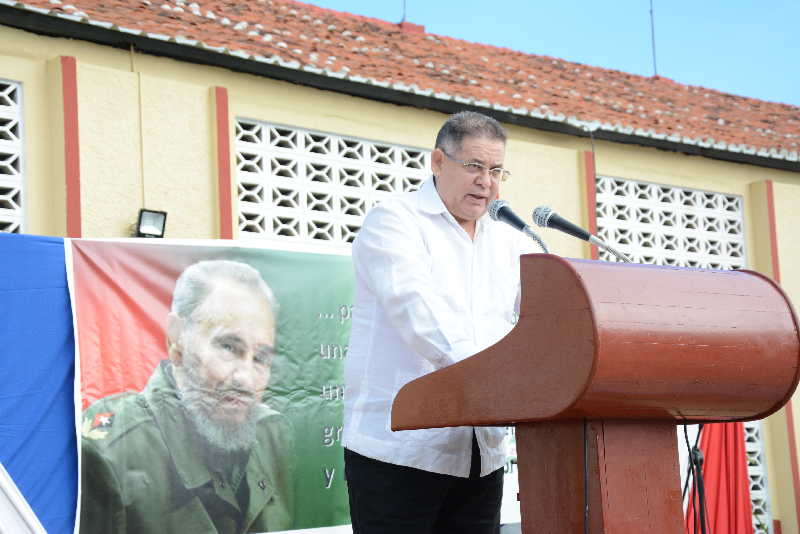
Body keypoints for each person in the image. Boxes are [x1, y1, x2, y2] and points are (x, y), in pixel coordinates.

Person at [342, 111, 541, 533]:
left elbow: (544, 319)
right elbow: (419, 312)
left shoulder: (511, 241)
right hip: (399, 452)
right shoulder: (394, 221)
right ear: (438, 162)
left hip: (481, 454)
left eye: (496, 170)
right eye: (473, 166)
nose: (486, 181)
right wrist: (492, 382)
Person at [79, 260, 294, 534]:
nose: (246, 379)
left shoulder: (275, 436)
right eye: (228, 346)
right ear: (177, 339)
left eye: (261, 358)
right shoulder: (110, 455)